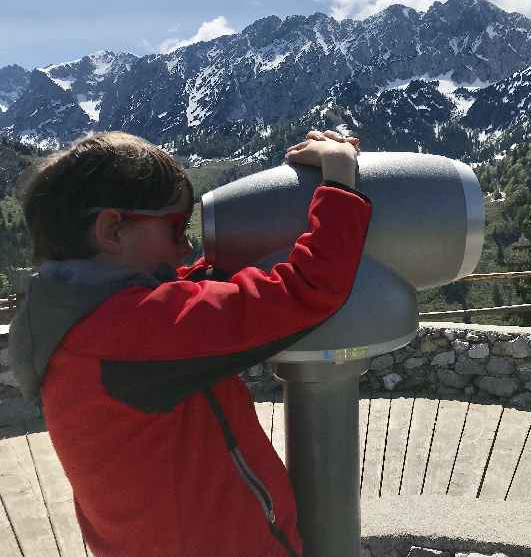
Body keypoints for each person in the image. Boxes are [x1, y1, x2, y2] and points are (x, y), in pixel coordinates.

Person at [9, 129, 371, 557]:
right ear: (111, 229)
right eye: (175, 228)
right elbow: (307, 291)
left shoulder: (70, 320)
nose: (186, 247)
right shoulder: (134, 334)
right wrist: (340, 178)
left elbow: (184, 292)